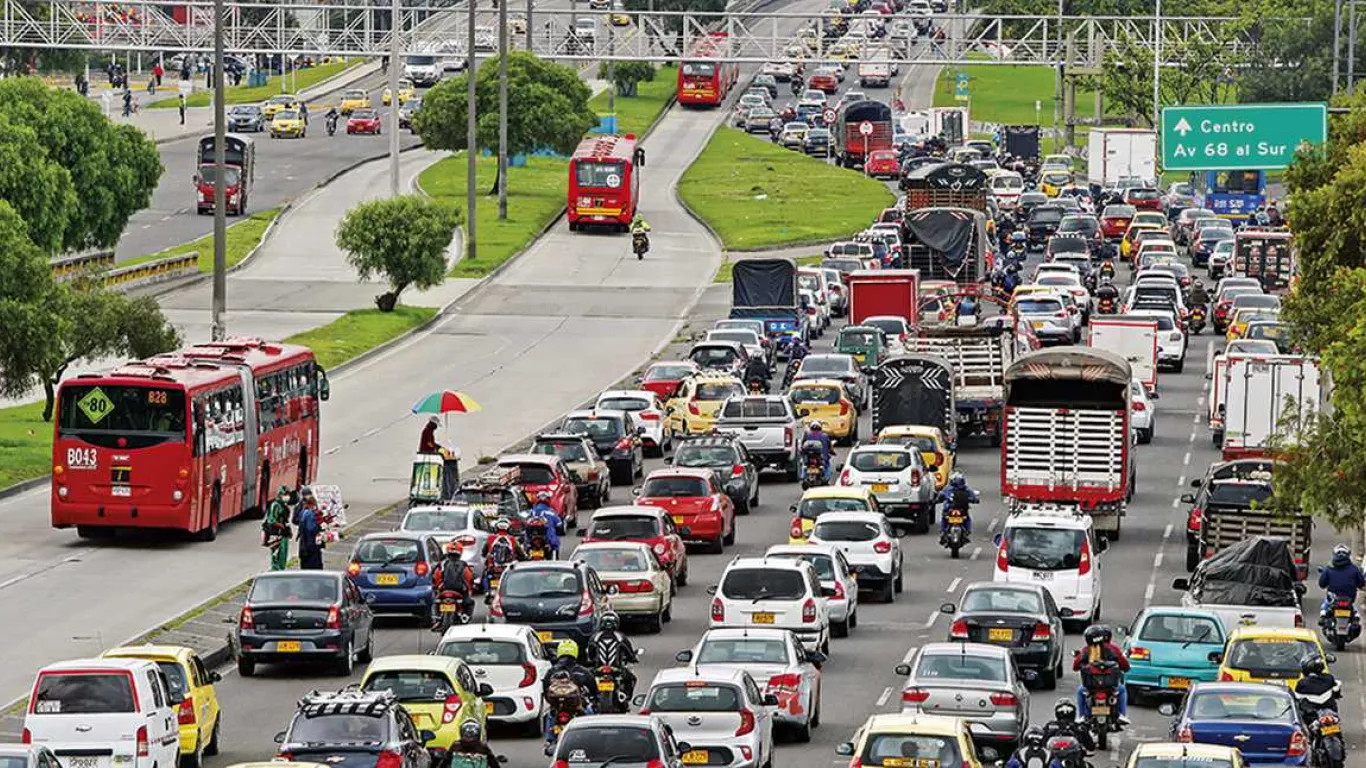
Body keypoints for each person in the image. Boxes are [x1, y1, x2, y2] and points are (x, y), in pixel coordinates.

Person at [1073, 625, 1130, 726]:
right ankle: (1122, 714)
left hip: (1091, 686)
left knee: (1080, 691)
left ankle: (1082, 716)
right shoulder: (1113, 649)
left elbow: (1075, 666)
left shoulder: (1086, 650)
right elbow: (1125, 665)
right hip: (1110, 686)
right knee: (1122, 690)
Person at [542, 640, 596, 740]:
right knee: (591, 716)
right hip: (578, 708)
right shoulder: (583, 671)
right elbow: (593, 689)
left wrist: (551, 701)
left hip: (557, 707)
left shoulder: (552, 671)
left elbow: (545, 688)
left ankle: (549, 740)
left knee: (550, 714)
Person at [584, 611, 639, 701]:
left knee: (587, 680)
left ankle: (592, 697)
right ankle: (626, 697)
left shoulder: (595, 637)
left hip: (598, 669)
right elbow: (629, 653)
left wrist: (591, 661)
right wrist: (633, 658)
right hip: (616, 669)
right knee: (632, 679)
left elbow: (590, 654)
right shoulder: (620, 637)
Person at [1318, 544, 1365, 624]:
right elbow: (1361, 583)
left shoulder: (1329, 569)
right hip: (1350, 598)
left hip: (1333, 598)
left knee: (1325, 604)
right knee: (1354, 609)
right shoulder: (1354, 569)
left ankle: (1323, 615)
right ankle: (1356, 617)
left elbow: (1322, 584)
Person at [432, 540, 475, 619]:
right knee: (470, 603)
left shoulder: (442, 564)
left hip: (444, 590)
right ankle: (466, 616)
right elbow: (469, 579)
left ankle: (437, 616)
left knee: (435, 600)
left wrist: (437, 586)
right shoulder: (463, 565)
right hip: (460, 591)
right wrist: (469, 587)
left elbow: (436, 577)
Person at [1293, 655, 1341, 720]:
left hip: (1313, 715)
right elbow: (1336, 689)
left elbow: (1296, 698)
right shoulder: (1329, 678)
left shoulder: (1302, 683)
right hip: (1326, 714)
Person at [939, 472, 979, 541]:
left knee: (966, 518)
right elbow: (941, 496)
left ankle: (944, 531)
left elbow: (973, 497)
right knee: (945, 517)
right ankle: (944, 531)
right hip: (952, 510)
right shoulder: (950, 489)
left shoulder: (963, 490)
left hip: (960, 511)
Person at [262, 485, 293, 571]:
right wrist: (281, 526)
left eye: (288, 494)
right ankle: (275, 572)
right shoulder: (275, 505)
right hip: (276, 534)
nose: (287, 497)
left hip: (284, 534)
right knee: (277, 556)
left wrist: (288, 530)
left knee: (283, 556)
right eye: (285, 494)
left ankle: (281, 571)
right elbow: (271, 520)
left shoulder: (284, 505)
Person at [295, 488, 325, 570]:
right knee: (313, 569)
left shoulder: (303, 512)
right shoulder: (309, 514)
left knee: (304, 568)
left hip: (304, 547)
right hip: (311, 547)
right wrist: (321, 526)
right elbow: (312, 529)